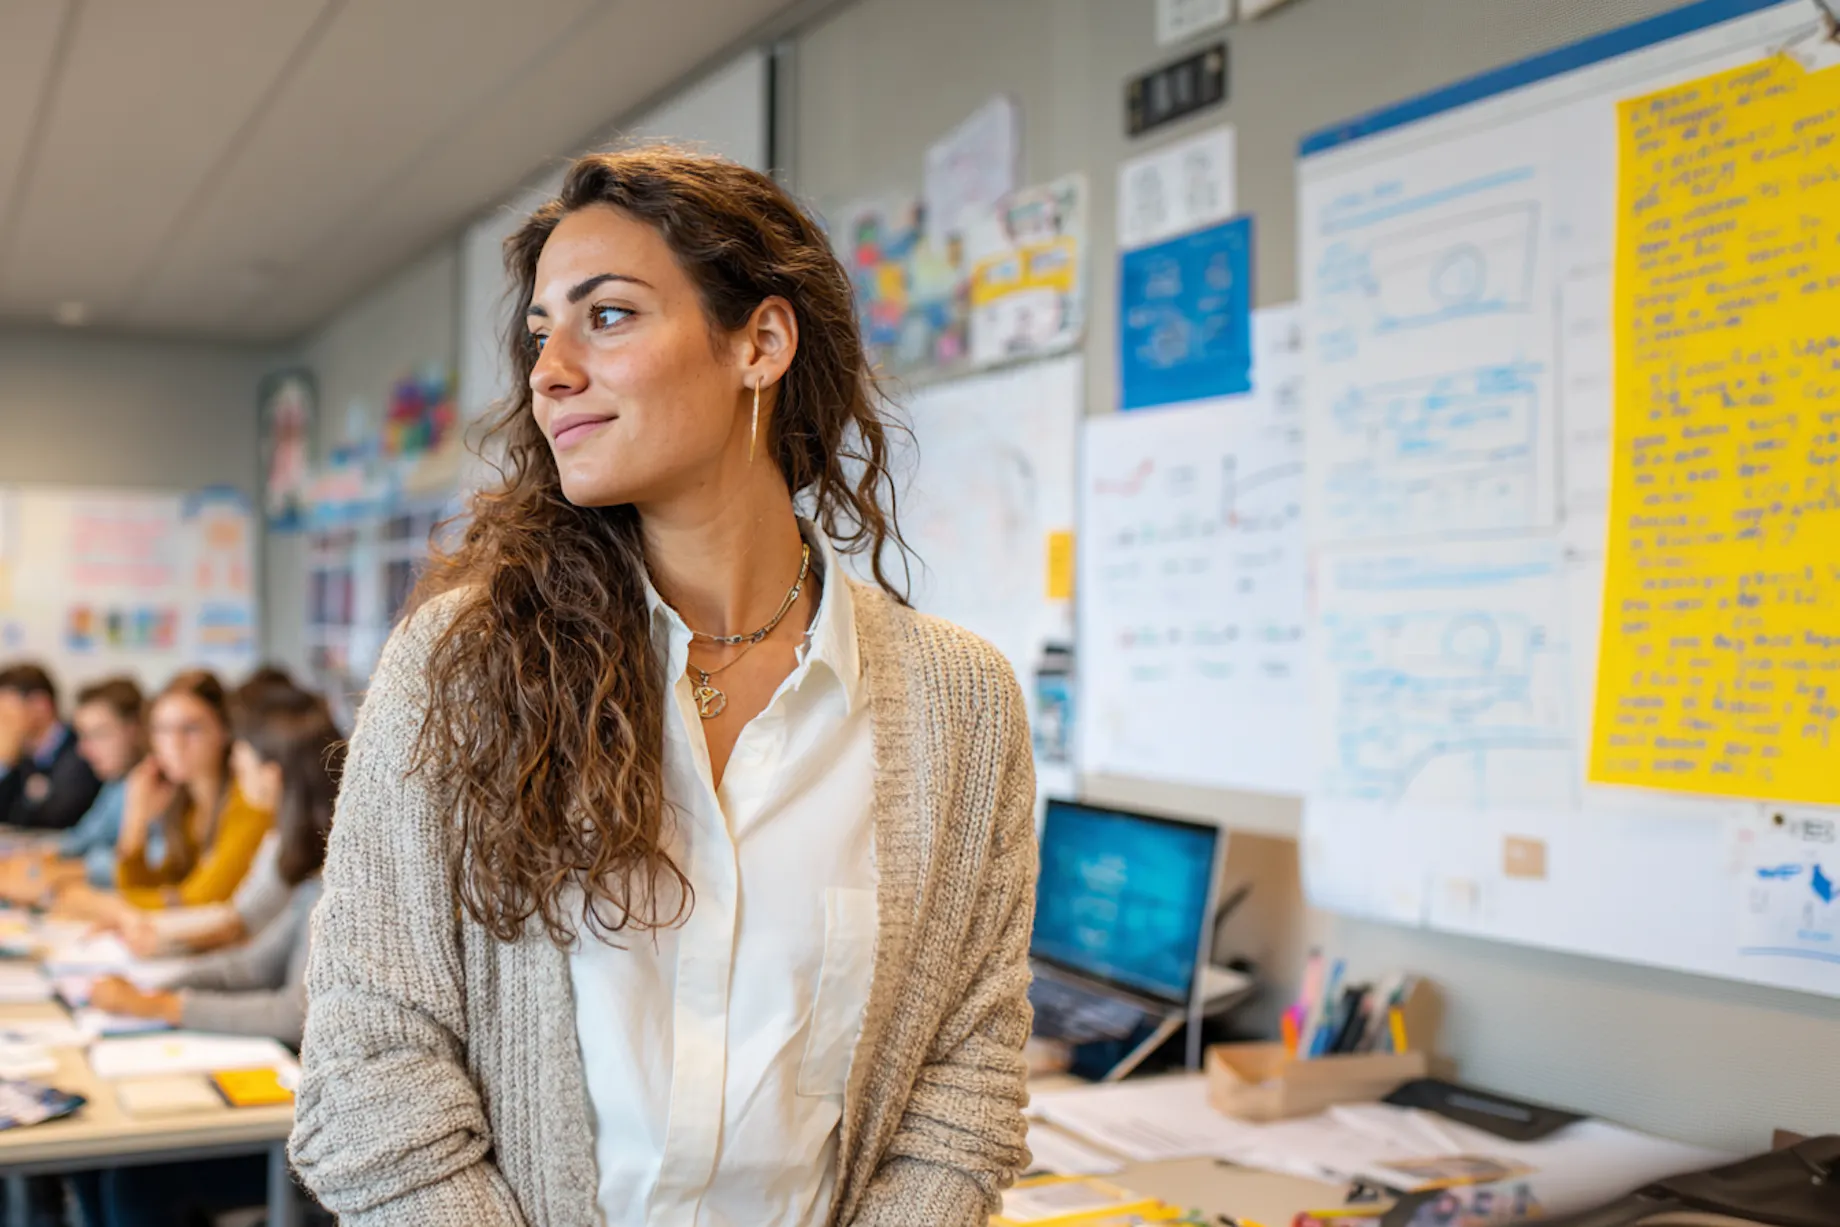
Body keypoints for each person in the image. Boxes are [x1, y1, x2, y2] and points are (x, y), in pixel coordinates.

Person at [292, 147, 1038, 1227]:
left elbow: (965, 1076)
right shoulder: (461, 665)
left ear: (761, 342)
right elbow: (369, 1061)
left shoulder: (960, 705)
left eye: (607, 316)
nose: (549, 371)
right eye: (542, 332)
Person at [78, 686, 343, 1227]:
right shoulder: (296, 857)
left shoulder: (328, 875)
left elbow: (293, 1011)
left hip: (307, 1117)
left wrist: (164, 1007)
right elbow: (253, 964)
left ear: (273, 774)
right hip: (286, 1086)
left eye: (241, 757)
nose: (237, 770)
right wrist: (154, 990)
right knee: (100, 1164)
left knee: (129, 1174)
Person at [56, 670, 271, 921]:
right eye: (162, 729)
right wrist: (135, 821)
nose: (174, 743)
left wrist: (103, 904)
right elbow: (150, 888)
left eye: (190, 728)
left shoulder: (248, 802)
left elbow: (200, 901)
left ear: (225, 731)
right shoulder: (184, 805)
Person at [0, 677, 145, 905]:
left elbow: (154, 860)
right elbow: (84, 836)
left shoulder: (150, 783)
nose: (84, 750)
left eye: (99, 734)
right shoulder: (117, 784)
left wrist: (62, 870)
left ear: (135, 730)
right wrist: (39, 856)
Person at [0, 663, 102, 831]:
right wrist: (4, 763)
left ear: (41, 705)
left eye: (5, 712)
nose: (2, 722)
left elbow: (55, 818)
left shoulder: (80, 750)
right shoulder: (20, 757)